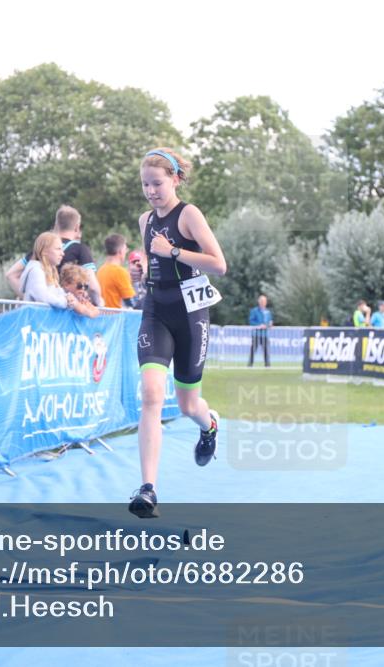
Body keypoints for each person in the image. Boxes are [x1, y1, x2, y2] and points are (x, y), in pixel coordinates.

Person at [130, 148, 227, 519]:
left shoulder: (188, 215)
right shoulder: (145, 221)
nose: (152, 191)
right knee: (152, 394)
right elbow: (153, 261)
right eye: (145, 185)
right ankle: (148, 489)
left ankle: (210, 424)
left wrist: (172, 251)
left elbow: (218, 264)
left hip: (191, 313)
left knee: (188, 406)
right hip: (156, 309)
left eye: (157, 183)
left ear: (175, 179)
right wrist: (141, 275)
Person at [5, 205, 102, 305]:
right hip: (65, 310)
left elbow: (11, 274)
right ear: (77, 227)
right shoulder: (81, 250)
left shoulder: (41, 248)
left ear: (56, 224)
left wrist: (28, 298)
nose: (62, 253)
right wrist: (99, 304)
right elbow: (93, 287)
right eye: (58, 249)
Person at [20, 232, 99, 317]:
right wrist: (66, 301)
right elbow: (42, 297)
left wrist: (74, 301)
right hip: (34, 323)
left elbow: (60, 294)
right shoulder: (36, 271)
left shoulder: (49, 272)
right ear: (44, 251)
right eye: (58, 249)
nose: (62, 253)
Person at [97, 233, 136, 308]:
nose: (126, 252)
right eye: (125, 249)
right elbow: (131, 302)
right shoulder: (119, 272)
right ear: (120, 251)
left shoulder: (101, 270)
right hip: (116, 317)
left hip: (103, 316)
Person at [248, 294, 273, 367]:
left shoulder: (268, 312)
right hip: (256, 334)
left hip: (265, 334)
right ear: (259, 301)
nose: (263, 302)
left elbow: (270, 321)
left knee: (266, 350)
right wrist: (259, 325)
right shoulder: (254, 311)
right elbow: (251, 321)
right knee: (253, 350)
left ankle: (267, 365)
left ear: (266, 302)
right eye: (261, 301)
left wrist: (270, 324)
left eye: (264, 301)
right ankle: (250, 364)